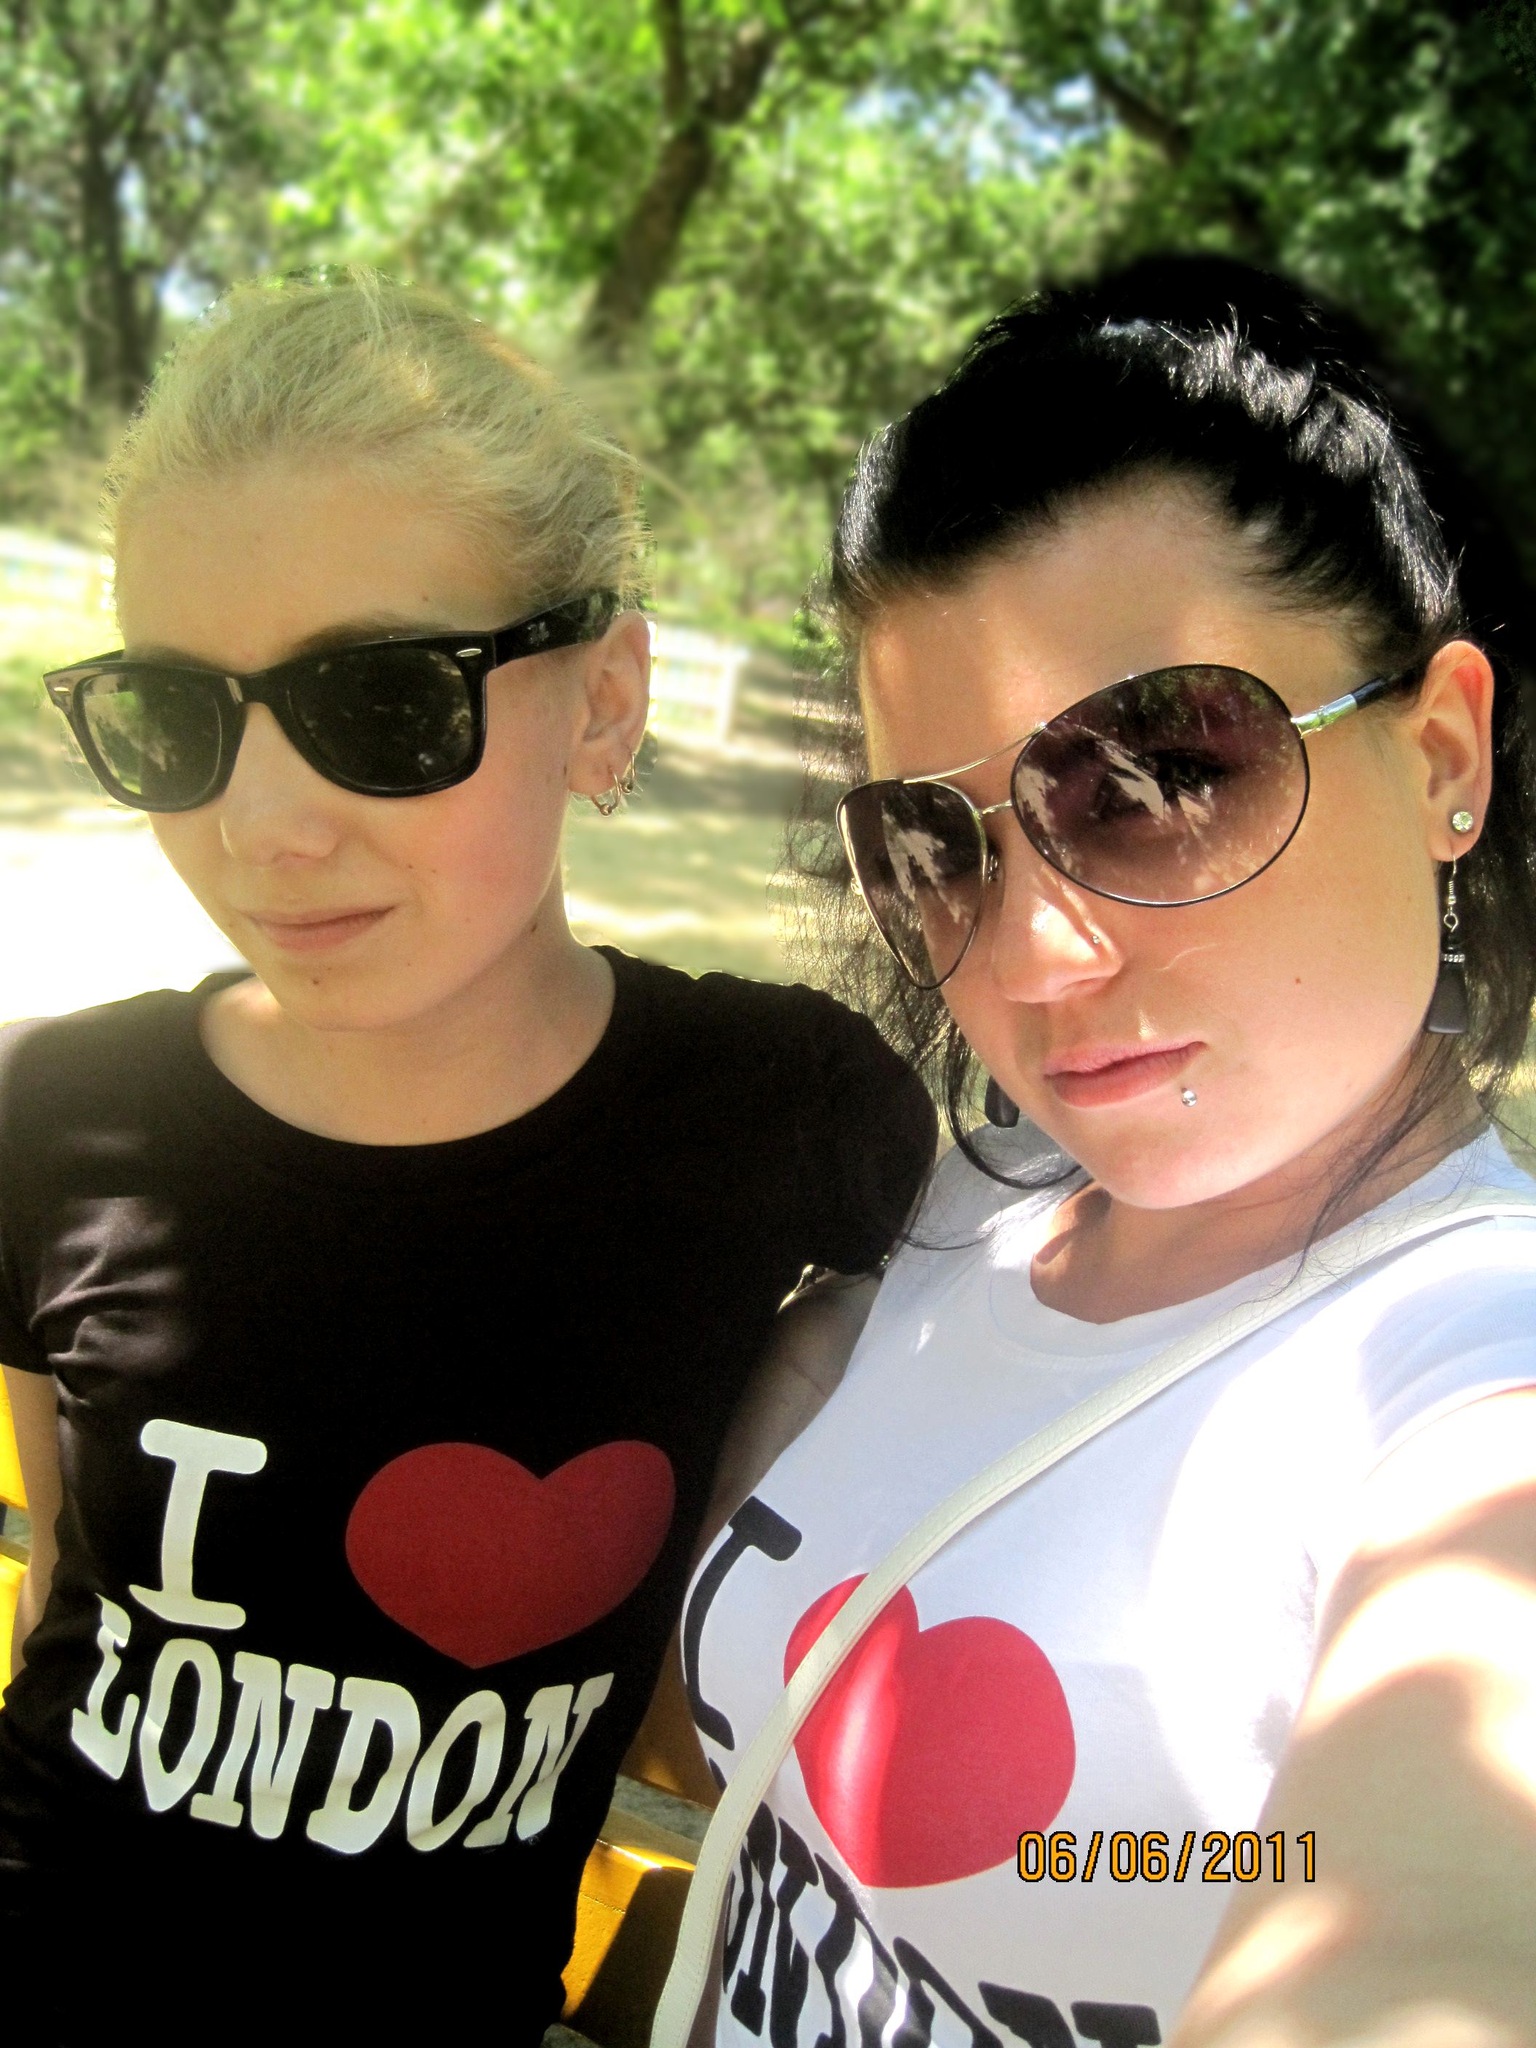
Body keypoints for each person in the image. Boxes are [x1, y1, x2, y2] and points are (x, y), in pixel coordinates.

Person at [0, 270, 936, 2043]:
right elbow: (62, 1575)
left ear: (604, 703)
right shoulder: (57, 1117)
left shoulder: (784, 1114)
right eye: (175, 716)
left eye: (382, 701)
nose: (263, 828)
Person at [682, 258, 1536, 2046]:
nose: (1034, 959)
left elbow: (1441, 1921)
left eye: (1159, 780)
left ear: (1444, 755)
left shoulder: (1474, 1383)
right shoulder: (965, 1210)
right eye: (941, 846)